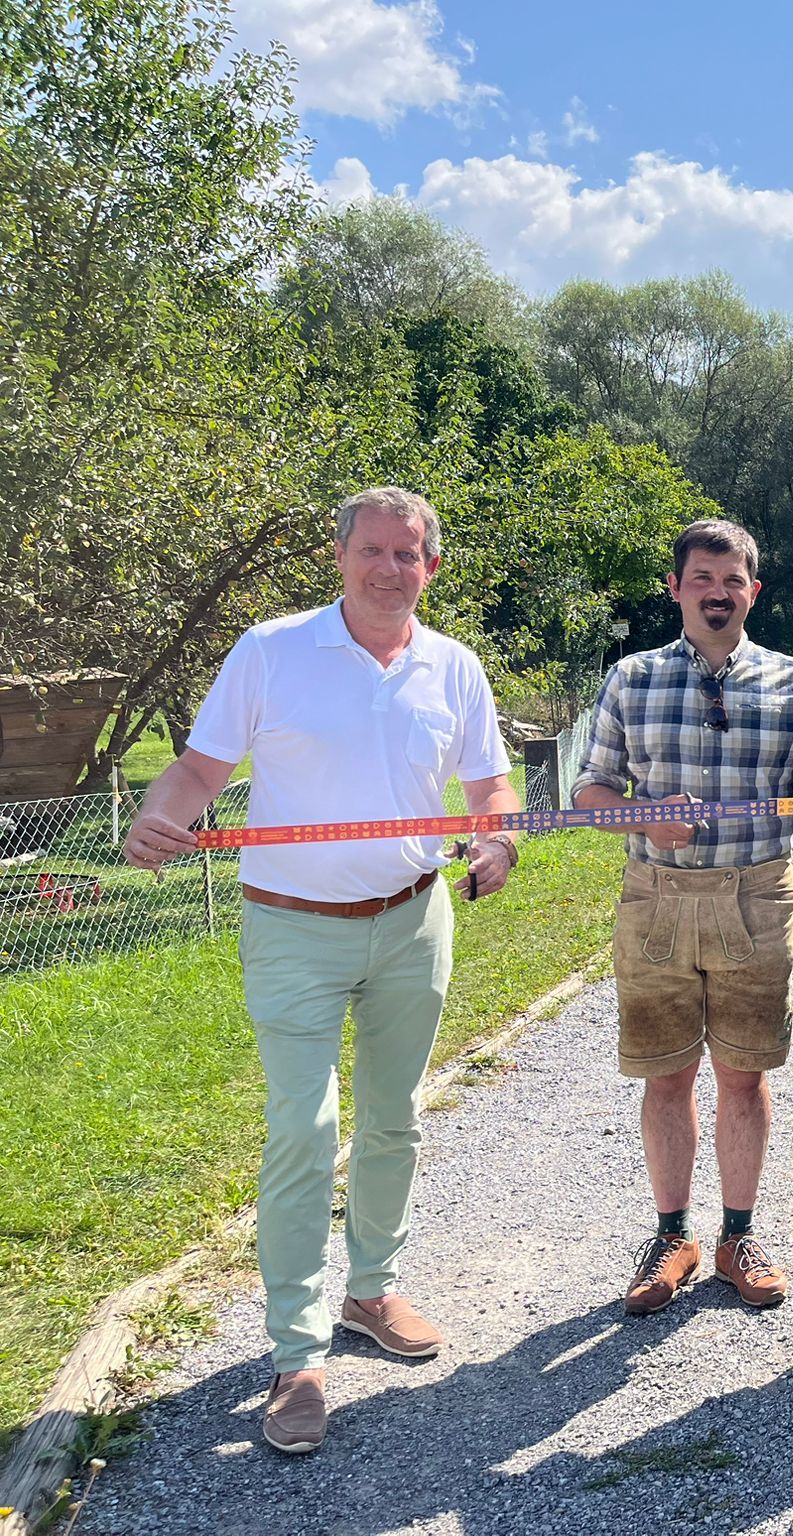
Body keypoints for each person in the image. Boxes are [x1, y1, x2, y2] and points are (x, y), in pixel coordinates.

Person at [123, 487, 517, 1456]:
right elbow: (199, 774)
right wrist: (157, 813)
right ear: (339, 555)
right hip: (292, 927)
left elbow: (490, 784)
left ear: (432, 566)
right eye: (373, 550)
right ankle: (295, 1353)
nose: (390, 568)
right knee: (304, 1129)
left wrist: (497, 839)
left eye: (408, 553)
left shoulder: (453, 667)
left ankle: (370, 1291)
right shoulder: (270, 651)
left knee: (394, 1117)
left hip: (413, 921)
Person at [573, 518, 793, 1317]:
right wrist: (639, 816)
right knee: (666, 1074)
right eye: (701, 578)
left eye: (732, 580)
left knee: (745, 1072)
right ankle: (672, 1235)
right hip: (656, 898)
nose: (717, 592)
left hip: (756, 897)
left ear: (753, 592)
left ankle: (738, 1234)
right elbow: (589, 794)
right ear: (675, 588)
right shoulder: (630, 679)